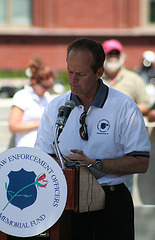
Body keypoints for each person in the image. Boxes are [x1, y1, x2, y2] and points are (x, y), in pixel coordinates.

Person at [35, 38, 150, 240]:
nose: (73, 79)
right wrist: (66, 167)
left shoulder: (124, 107)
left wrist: (95, 164)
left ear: (99, 73)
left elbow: (141, 162)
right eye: (70, 71)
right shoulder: (55, 107)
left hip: (112, 201)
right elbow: (42, 157)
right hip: (67, 202)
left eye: (80, 74)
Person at [101, 39, 151, 116]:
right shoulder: (95, 79)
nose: (113, 57)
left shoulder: (134, 79)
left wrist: (126, 111)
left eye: (116, 54)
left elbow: (145, 105)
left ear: (122, 56)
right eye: (110, 54)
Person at [9, 64, 54, 147]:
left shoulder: (47, 97)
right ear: (34, 82)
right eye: (45, 87)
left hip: (44, 148)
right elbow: (13, 126)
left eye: (49, 87)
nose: (47, 90)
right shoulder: (22, 96)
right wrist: (38, 124)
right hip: (26, 147)